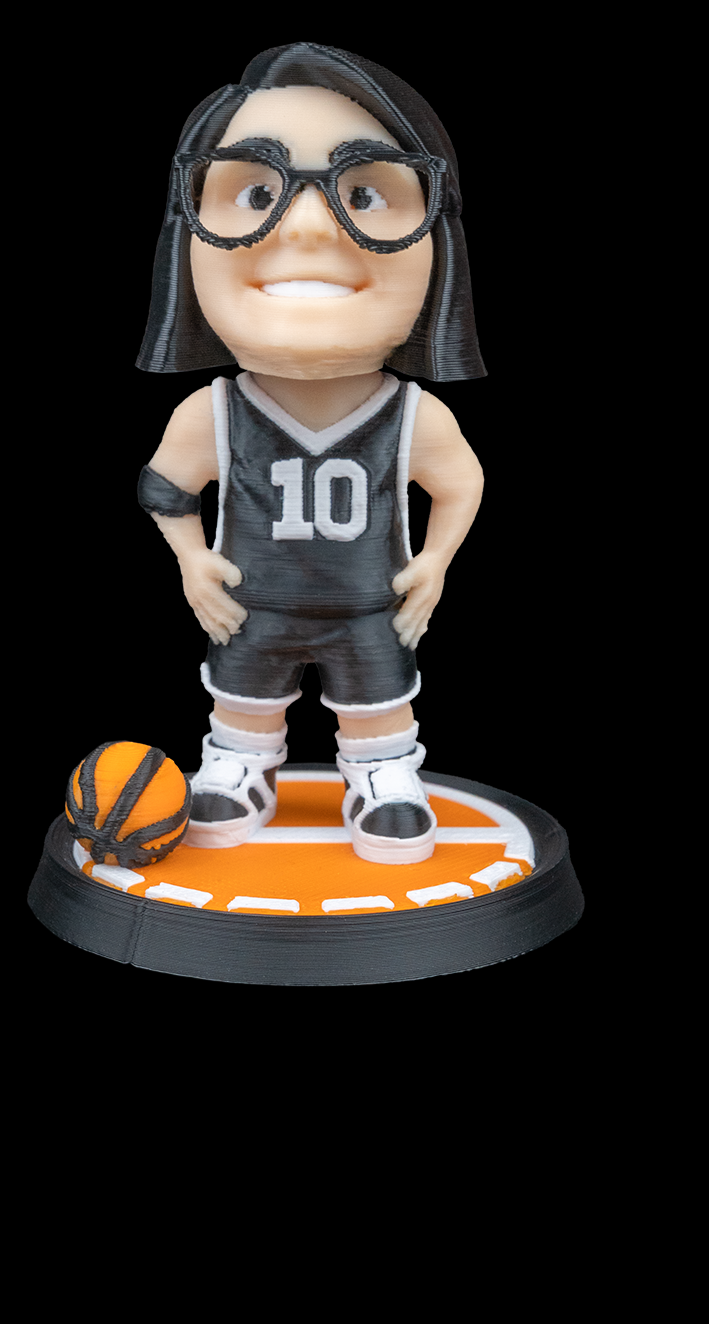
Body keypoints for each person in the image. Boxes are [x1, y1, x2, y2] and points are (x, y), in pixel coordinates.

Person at [136, 43, 485, 865]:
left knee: (379, 711)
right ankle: (238, 769)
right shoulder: (213, 412)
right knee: (241, 706)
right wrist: (192, 562)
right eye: (257, 193)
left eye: (363, 194)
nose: (305, 224)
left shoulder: (413, 416)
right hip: (254, 604)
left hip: (368, 607)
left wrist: (436, 562)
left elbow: (462, 482)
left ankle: (384, 778)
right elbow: (165, 489)